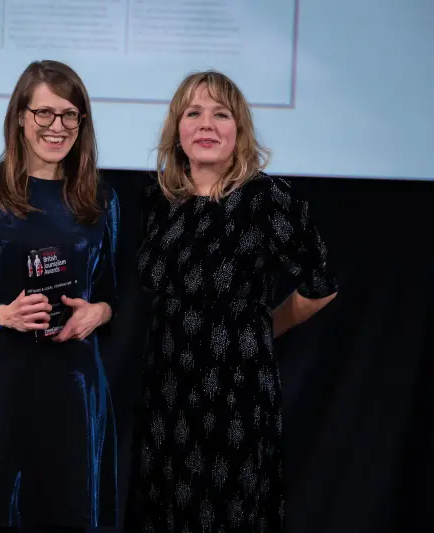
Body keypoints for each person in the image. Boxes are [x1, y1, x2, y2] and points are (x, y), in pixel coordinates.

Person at [125, 70, 338, 532]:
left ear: (238, 129)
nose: (206, 124)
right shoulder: (158, 200)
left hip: (236, 395)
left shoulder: (269, 199)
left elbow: (320, 285)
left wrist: (266, 326)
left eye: (220, 114)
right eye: (193, 113)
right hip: (165, 393)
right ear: (176, 130)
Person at [0, 60, 119, 532]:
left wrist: (98, 311)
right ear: (20, 116)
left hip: (73, 387)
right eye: (45, 114)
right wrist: (0, 315)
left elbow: (115, 293)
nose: (57, 127)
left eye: (69, 115)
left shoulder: (100, 198)